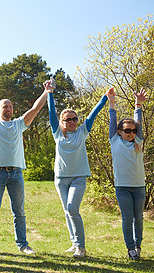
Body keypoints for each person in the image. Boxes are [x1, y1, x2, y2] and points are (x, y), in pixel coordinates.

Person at [0, 80, 51, 256]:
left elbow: (35, 109)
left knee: (19, 212)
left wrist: (46, 92)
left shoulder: (19, 124)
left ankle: (23, 245)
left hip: (16, 173)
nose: (8, 109)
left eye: (10, 107)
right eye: (5, 107)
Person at [47, 80, 112, 258]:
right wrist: (50, 93)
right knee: (67, 211)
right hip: (61, 178)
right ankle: (74, 242)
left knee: (72, 208)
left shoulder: (82, 131)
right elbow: (51, 112)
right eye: (68, 119)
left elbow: (93, 114)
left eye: (75, 119)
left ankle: (81, 247)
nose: (72, 122)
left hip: (78, 178)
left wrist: (105, 98)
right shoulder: (57, 133)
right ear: (62, 122)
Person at [108, 88, 147, 260]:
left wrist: (138, 104)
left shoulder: (138, 141)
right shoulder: (114, 140)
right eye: (127, 130)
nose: (130, 133)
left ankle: (138, 246)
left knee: (138, 218)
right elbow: (113, 119)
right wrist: (111, 102)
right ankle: (130, 248)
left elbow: (138, 121)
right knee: (127, 218)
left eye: (133, 130)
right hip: (122, 187)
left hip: (139, 186)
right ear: (119, 132)